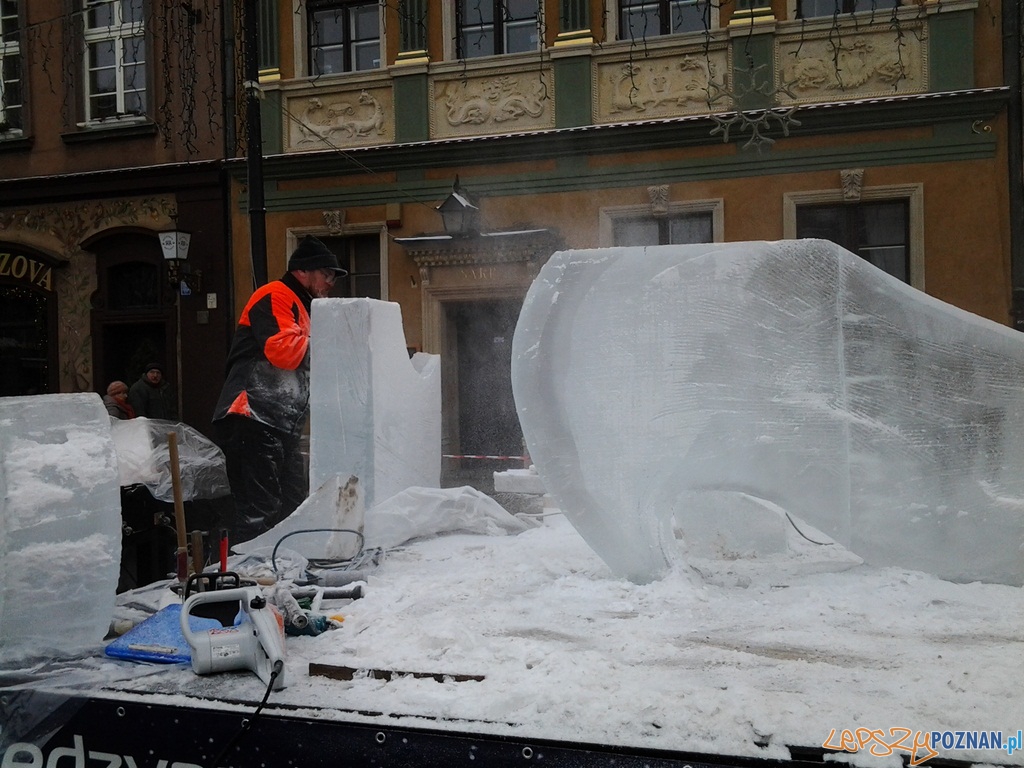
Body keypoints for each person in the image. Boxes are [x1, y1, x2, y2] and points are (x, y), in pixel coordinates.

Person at [212, 235, 347, 545]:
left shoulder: (305, 306)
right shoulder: (276, 294)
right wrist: (334, 345)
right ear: (303, 270)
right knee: (260, 509)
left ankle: (282, 566)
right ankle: (251, 570)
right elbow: (283, 351)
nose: (330, 282)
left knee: (293, 504)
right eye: (326, 274)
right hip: (251, 415)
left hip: (278, 423)